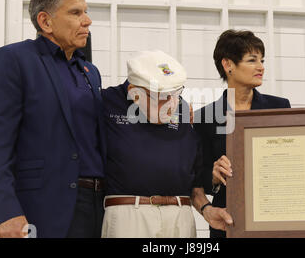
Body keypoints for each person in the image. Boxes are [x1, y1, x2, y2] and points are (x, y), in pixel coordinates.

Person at [0, 0, 107, 238]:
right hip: (43, 207)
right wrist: (5, 211)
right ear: (45, 22)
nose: (87, 20)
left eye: (86, 11)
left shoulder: (90, 72)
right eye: (75, 13)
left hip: (96, 206)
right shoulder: (13, 60)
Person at [101, 50, 233, 238]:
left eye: (176, 94)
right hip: (130, 215)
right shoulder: (107, 102)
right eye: (162, 97)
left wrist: (207, 210)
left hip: (180, 217)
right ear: (134, 94)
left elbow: (193, 181)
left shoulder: (182, 110)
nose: (171, 105)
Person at [194, 30, 291, 238]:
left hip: (276, 218)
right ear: (228, 65)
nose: (261, 67)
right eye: (252, 60)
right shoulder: (204, 118)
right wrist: (213, 175)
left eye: (262, 60)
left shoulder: (279, 108)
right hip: (228, 221)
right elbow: (195, 178)